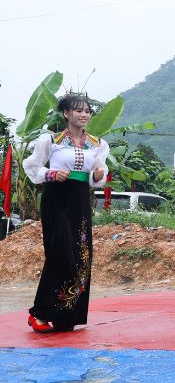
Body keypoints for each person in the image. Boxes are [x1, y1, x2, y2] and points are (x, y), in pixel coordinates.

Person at [23, 92, 110, 333]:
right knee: (60, 253)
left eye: (87, 111)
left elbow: (97, 174)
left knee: (81, 257)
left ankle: (66, 315)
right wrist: (50, 174)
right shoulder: (50, 140)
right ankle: (39, 313)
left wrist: (97, 175)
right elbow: (31, 166)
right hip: (57, 198)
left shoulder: (98, 144)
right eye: (78, 110)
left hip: (80, 200)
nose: (84, 115)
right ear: (66, 114)